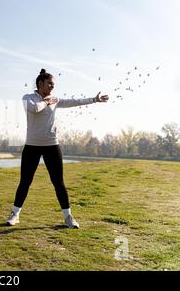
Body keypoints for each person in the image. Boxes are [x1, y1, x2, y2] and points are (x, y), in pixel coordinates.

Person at [6, 69, 109, 228]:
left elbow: (74, 102)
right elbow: (35, 109)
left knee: (58, 182)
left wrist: (94, 100)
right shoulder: (28, 98)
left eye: (54, 84)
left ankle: (68, 217)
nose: (53, 87)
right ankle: (15, 214)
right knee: (25, 182)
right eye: (50, 84)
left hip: (51, 146)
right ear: (40, 84)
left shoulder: (56, 100)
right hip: (31, 147)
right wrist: (47, 102)